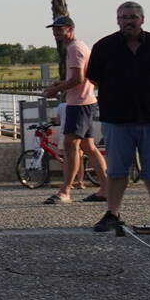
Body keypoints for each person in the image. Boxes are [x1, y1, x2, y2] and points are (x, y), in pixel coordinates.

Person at [84, 2, 150, 236]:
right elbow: (95, 79)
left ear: (142, 19)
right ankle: (113, 213)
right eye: (123, 17)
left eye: (133, 17)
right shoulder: (104, 46)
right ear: (117, 20)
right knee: (117, 171)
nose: (128, 21)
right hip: (117, 118)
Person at [40, 15, 106, 204]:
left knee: (71, 147)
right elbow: (81, 77)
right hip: (85, 101)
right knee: (89, 148)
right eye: (54, 28)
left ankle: (65, 191)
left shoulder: (74, 48)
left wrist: (55, 90)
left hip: (79, 104)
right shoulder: (79, 46)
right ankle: (105, 188)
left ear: (70, 29)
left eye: (59, 28)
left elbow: (78, 79)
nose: (55, 31)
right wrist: (62, 83)